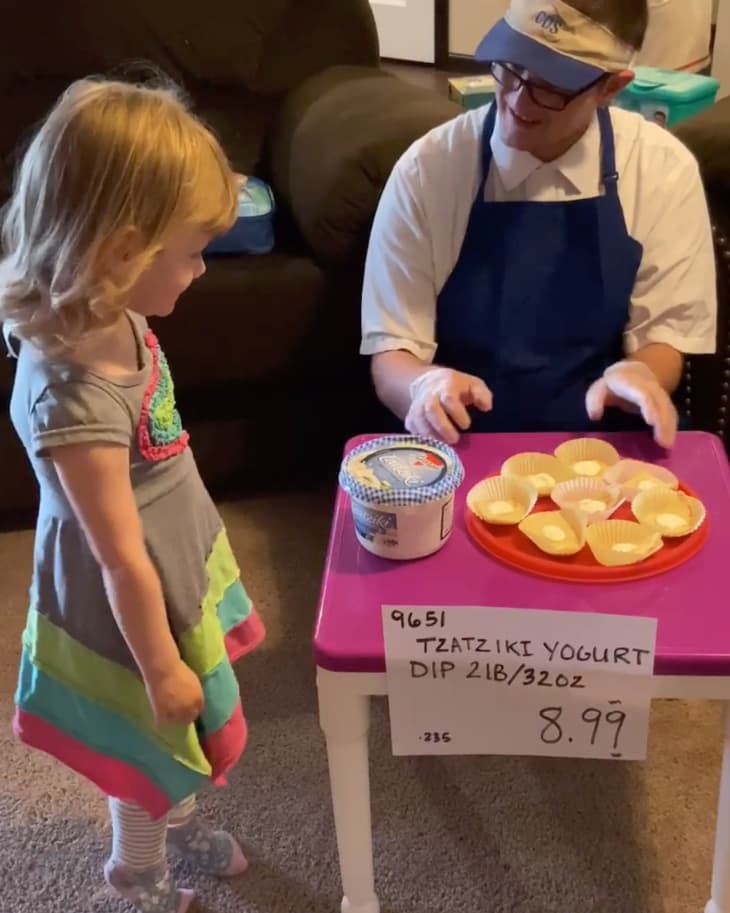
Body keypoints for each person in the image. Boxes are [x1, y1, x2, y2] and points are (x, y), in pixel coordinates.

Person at [0, 77, 266, 913]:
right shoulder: (71, 396)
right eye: (191, 251)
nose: (199, 269)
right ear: (119, 251)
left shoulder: (108, 307)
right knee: (149, 738)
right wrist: (157, 665)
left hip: (169, 564)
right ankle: (136, 871)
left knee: (180, 731)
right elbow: (117, 558)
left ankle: (176, 824)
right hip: (128, 609)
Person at [361, 0, 717, 449]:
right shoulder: (430, 168)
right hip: (461, 440)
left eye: (551, 86)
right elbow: (393, 355)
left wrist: (640, 375)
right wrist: (421, 388)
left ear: (610, 87)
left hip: (599, 442)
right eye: (511, 65)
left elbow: (664, 337)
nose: (516, 99)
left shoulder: (661, 169)